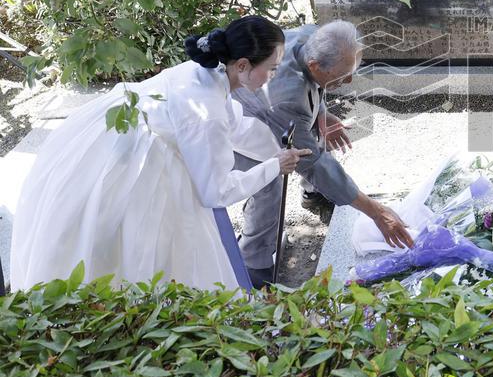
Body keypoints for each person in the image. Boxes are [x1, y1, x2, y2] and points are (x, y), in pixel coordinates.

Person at [10, 16, 311, 291]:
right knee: (135, 252)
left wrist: (278, 149)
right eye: (271, 68)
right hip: (131, 163)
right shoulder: (206, 112)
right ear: (243, 65)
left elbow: (236, 126)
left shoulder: (211, 70)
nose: (273, 75)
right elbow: (216, 192)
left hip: (117, 130)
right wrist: (274, 166)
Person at [233, 21, 413, 288]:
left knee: (313, 133)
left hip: (277, 107)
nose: (350, 81)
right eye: (343, 76)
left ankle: (313, 194)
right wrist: (376, 212)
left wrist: (322, 113)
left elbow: (314, 85)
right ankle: (254, 267)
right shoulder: (289, 97)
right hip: (242, 122)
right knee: (268, 185)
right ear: (316, 66)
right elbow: (314, 162)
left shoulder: (312, 37)